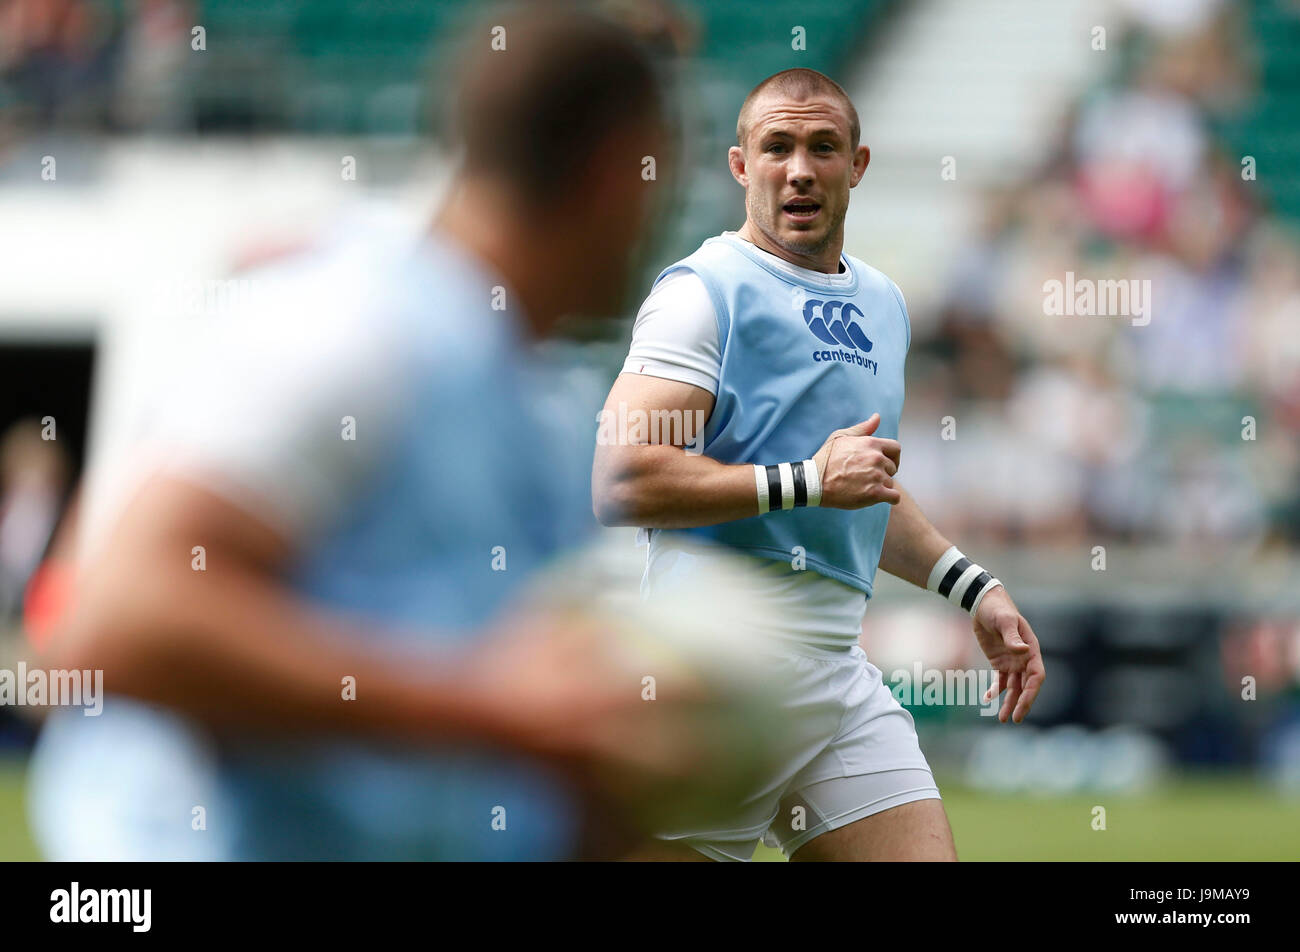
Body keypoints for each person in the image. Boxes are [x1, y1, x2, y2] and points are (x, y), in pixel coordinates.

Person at [28, 6, 692, 861]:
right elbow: (121, 620)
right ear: (620, 169)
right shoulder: (355, 324)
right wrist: (487, 708)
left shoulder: (540, 399)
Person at [593, 67, 1047, 861]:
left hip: (836, 673)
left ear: (857, 164)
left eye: (821, 147)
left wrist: (973, 588)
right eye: (777, 147)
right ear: (742, 167)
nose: (799, 168)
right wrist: (806, 479)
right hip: (713, 669)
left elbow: (861, 486)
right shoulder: (704, 293)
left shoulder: (884, 304)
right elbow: (622, 478)